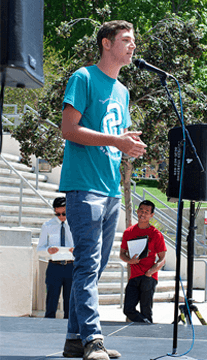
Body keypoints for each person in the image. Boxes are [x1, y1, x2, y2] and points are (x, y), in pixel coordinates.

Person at [60, 20, 147, 360]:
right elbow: (69, 128)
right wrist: (115, 139)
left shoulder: (122, 91)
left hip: (110, 188)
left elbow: (117, 137)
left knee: (93, 269)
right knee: (87, 264)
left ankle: (73, 338)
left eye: (133, 41)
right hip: (84, 187)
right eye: (126, 40)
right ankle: (93, 339)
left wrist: (128, 146)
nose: (132, 46)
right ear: (106, 43)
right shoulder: (83, 77)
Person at [120, 200, 167, 323]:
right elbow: (122, 254)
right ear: (137, 211)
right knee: (128, 309)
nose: (143, 213)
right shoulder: (128, 232)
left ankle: (146, 336)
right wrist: (130, 261)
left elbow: (163, 259)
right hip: (134, 276)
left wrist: (150, 272)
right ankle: (148, 326)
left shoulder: (156, 234)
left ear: (151, 215)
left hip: (149, 277)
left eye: (147, 211)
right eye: (141, 210)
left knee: (146, 310)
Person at [37, 197, 74, 319]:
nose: (61, 216)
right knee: (51, 302)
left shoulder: (75, 225)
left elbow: (82, 246)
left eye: (64, 213)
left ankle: (71, 332)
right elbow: (39, 250)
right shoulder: (47, 226)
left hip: (71, 266)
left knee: (70, 302)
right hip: (54, 267)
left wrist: (76, 251)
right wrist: (48, 250)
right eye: (58, 214)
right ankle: (48, 332)